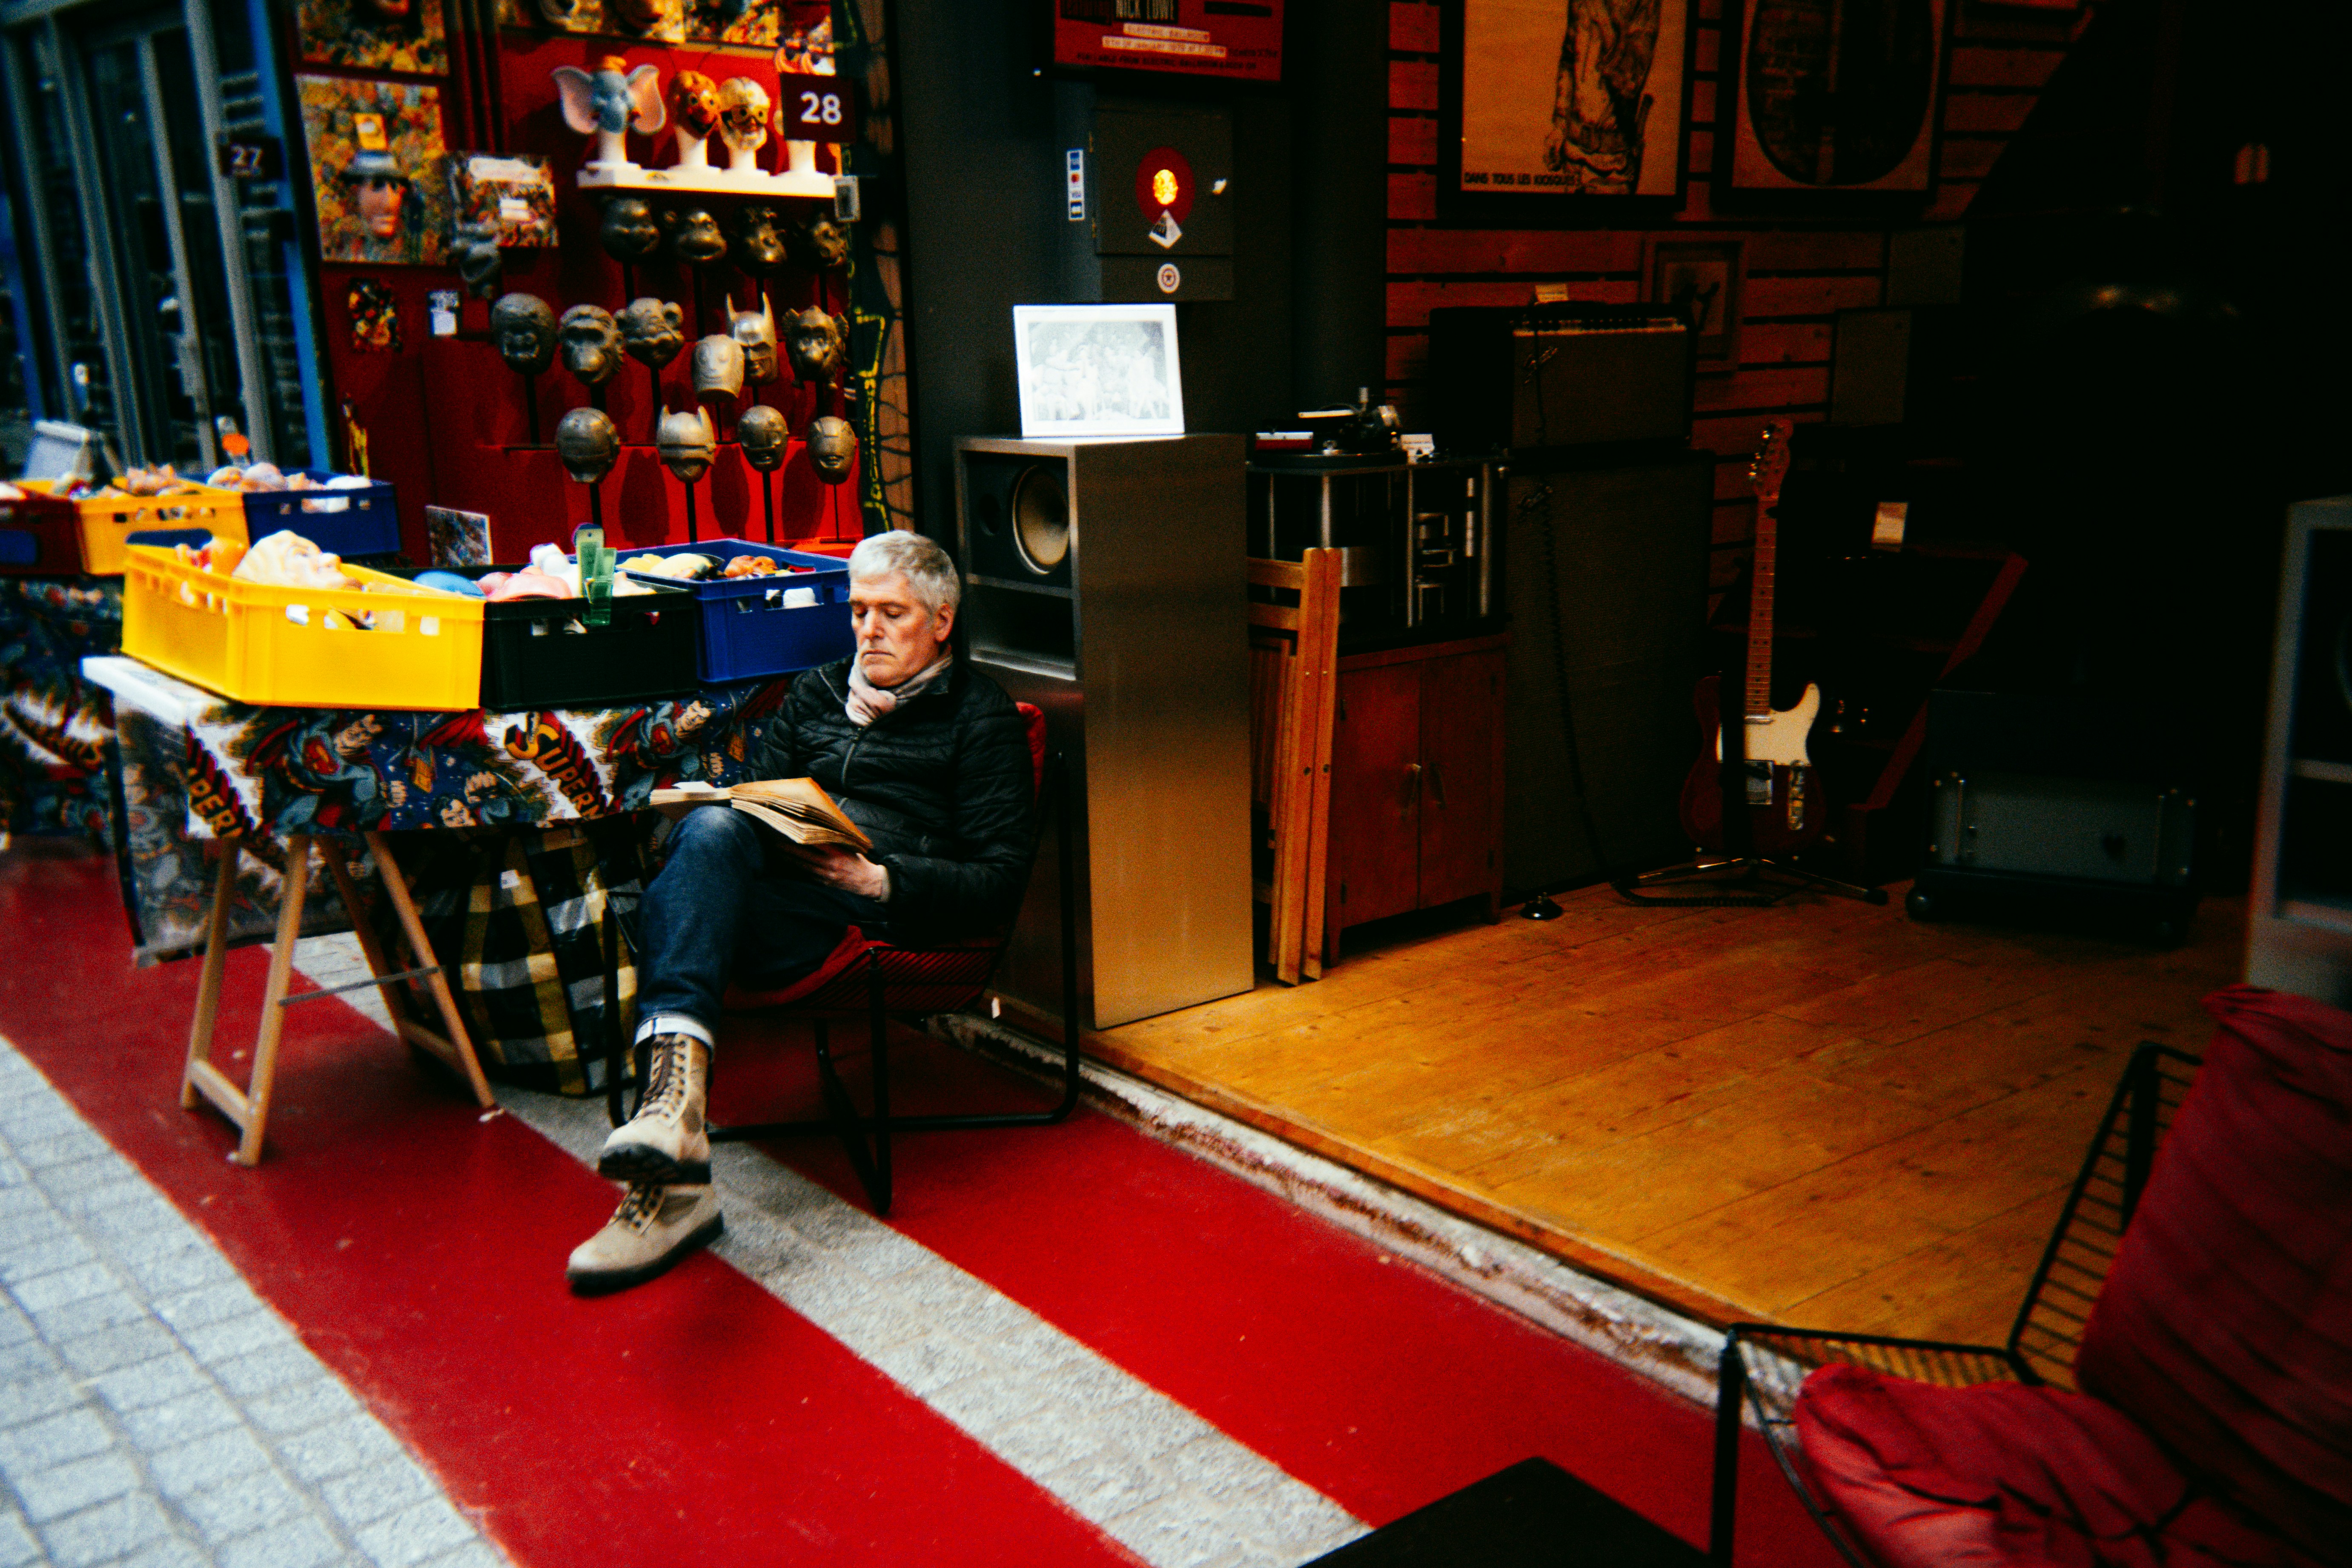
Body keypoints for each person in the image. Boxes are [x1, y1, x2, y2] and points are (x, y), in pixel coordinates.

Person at [567, 531, 1033, 1294]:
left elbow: (997, 882)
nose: (868, 631)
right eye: (857, 613)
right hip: (780, 904)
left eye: (892, 613)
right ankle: (672, 1144)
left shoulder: (979, 719)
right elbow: (763, 804)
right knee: (712, 828)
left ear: (942, 622)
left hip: (870, 921)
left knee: (674, 898)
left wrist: (874, 879)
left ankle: (671, 1152)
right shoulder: (817, 693)